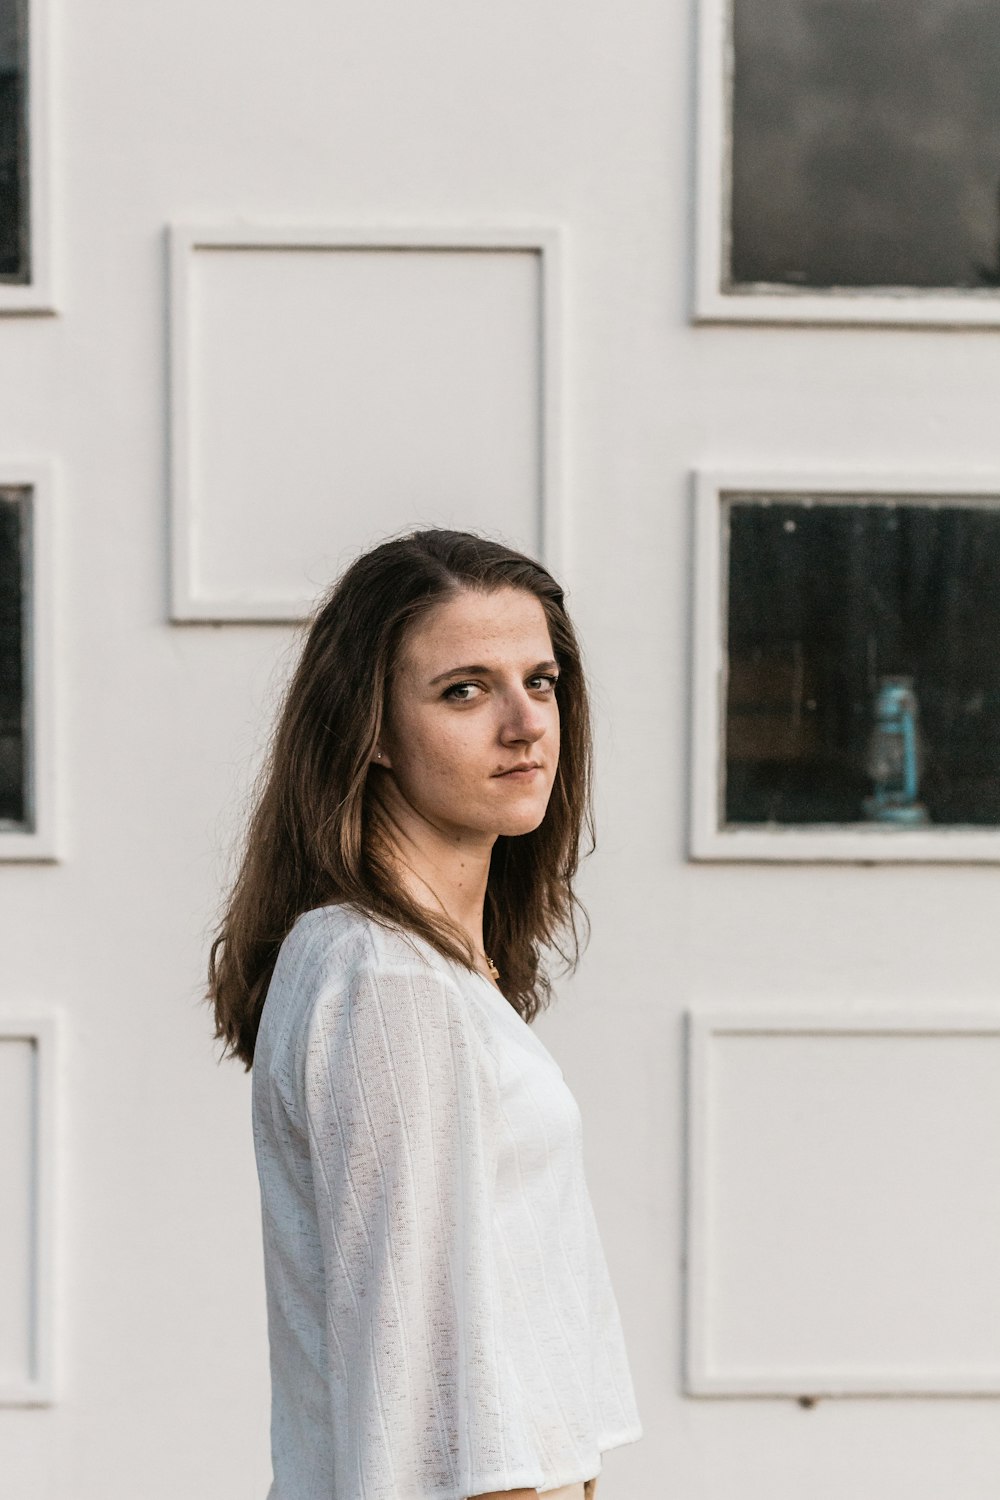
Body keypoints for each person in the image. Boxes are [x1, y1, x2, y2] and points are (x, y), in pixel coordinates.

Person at [208, 529, 643, 1500]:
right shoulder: (388, 984)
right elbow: (428, 1394)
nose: (525, 724)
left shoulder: (418, 969)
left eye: (541, 681)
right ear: (369, 730)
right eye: (464, 689)